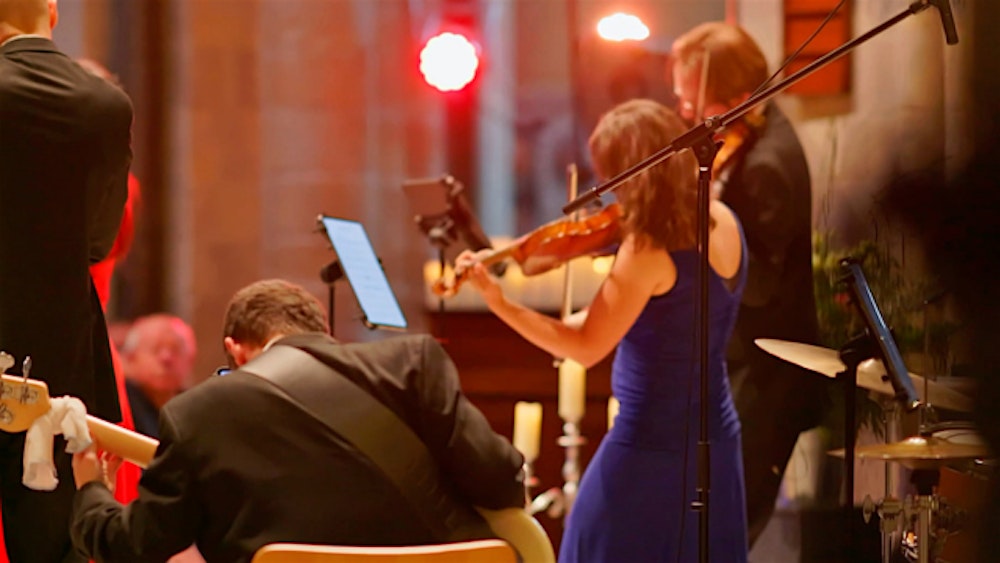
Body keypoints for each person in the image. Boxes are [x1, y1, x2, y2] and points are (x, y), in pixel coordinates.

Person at [457, 98, 748, 561]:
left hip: (651, 444)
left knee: (590, 545)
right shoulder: (723, 220)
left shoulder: (647, 248)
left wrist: (498, 303)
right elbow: (626, 320)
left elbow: (586, 346)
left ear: (632, 172)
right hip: (717, 439)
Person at [70, 279, 525, 562]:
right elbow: (502, 480)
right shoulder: (414, 363)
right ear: (323, 334)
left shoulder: (197, 413)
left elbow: (139, 546)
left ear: (235, 350)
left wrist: (93, 490)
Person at [670, 21, 827, 546]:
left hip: (768, 375)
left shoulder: (766, 164)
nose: (685, 114)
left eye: (692, 102)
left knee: (725, 530)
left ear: (737, 98)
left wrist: (705, 223)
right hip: (745, 367)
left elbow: (757, 285)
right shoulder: (750, 134)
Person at [0, 1, 132, 561]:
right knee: (54, 540)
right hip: (62, 357)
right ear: (52, 13)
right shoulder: (106, 103)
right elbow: (100, 240)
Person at [120, 313, 198, 439]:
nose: (166, 358)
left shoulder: (197, 411)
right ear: (131, 358)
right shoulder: (119, 404)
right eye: (155, 349)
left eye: (175, 349)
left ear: (190, 361)